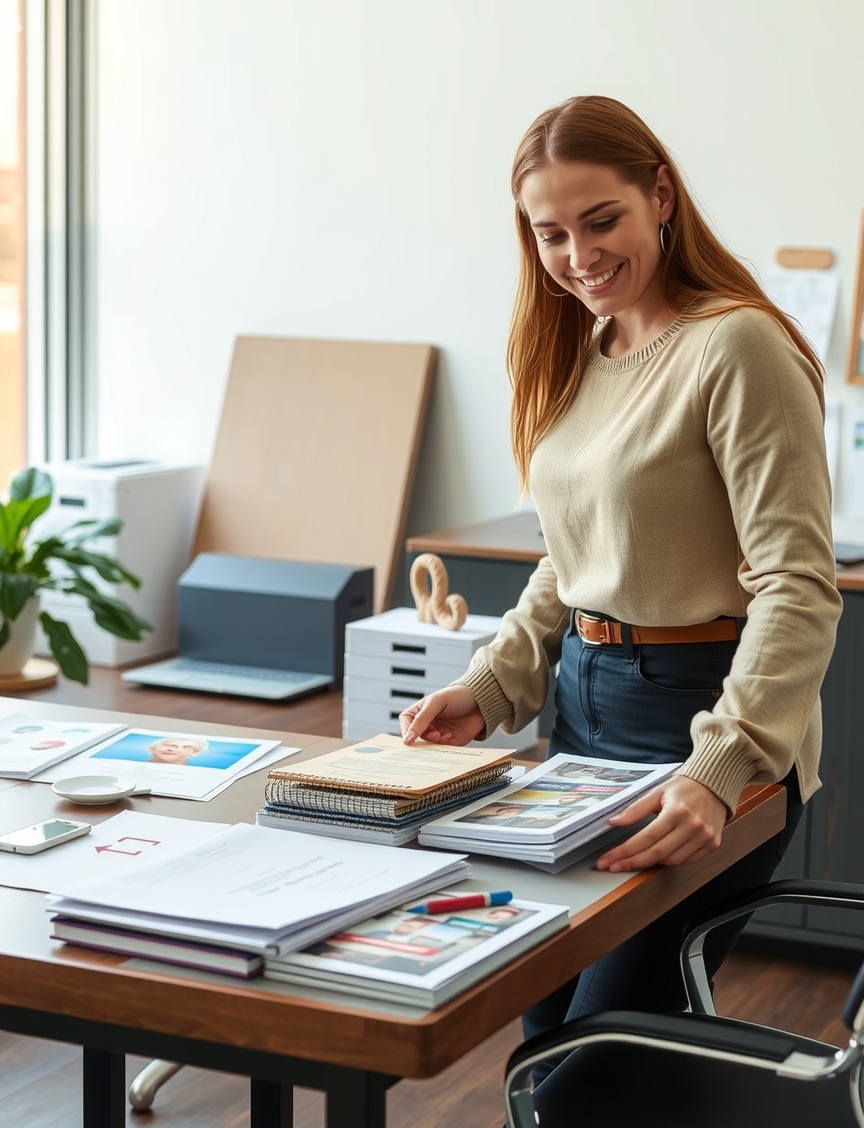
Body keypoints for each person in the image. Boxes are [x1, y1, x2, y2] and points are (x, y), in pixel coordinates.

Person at [399, 95, 841, 1117]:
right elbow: (569, 559)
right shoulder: (580, 351)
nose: (579, 256)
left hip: (703, 716)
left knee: (589, 1080)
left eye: (601, 221)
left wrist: (720, 769)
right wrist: (491, 684)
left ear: (661, 196)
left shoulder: (736, 346)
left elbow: (797, 587)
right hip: (581, 714)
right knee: (543, 1040)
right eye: (550, 233)